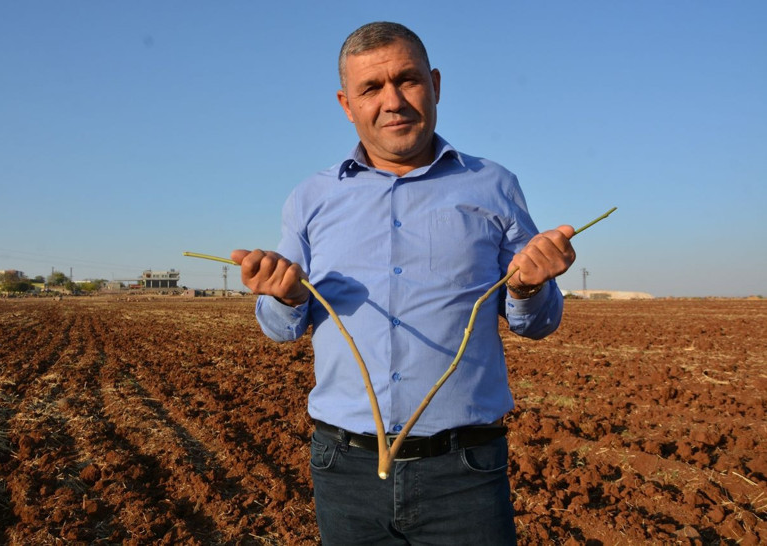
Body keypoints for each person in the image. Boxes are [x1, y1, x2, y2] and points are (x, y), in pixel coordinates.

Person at [231, 21, 576, 545]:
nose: (392, 100)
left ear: (435, 84)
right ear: (347, 105)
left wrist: (529, 288)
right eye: (371, 88)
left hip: (463, 471)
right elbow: (282, 329)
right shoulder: (310, 198)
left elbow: (539, 323)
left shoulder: (494, 185)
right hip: (345, 470)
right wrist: (285, 294)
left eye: (407, 80)